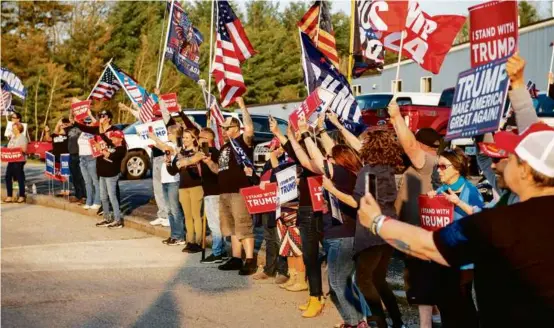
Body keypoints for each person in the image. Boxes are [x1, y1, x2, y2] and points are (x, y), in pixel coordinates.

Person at [357, 121, 554, 327]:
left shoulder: (501, 223)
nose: (496, 164)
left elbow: (429, 245)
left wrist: (377, 222)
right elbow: (542, 147)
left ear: (525, 171)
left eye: (509, 158)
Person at [296, 115, 366, 327]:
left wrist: (307, 134)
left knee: (337, 281)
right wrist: (322, 131)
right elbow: (331, 153)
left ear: (339, 162)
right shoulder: (351, 172)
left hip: (341, 236)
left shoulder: (343, 174)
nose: (327, 159)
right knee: (349, 281)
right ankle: (358, 320)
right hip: (342, 233)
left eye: (331, 158)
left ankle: (354, 323)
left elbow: (320, 160)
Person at [271, 117, 325, 317]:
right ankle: (314, 297)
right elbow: (293, 151)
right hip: (304, 209)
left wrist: (293, 135)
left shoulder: (315, 156)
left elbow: (298, 154)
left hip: (314, 210)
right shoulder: (302, 153)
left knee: (312, 256)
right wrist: (279, 133)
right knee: (310, 257)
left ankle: (317, 297)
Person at [202, 97, 257, 276]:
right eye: (223, 128)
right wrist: (209, 163)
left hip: (239, 191)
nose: (224, 131)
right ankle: (235, 257)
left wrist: (242, 106)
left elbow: (249, 129)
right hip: (224, 192)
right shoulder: (225, 147)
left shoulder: (242, 142)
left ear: (236, 128)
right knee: (231, 227)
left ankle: (249, 260)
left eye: (227, 128)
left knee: (243, 226)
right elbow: (220, 170)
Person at [252, 138, 290, 284]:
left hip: (281, 203)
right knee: (269, 237)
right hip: (267, 203)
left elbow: (282, 178)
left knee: (280, 238)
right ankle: (269, 269)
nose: (271, 151)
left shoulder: (286, 161)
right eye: (270, 148)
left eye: (274, 147)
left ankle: (283, 270)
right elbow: (262, 179)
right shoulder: (268, 163)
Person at [168, 128, 204, 253]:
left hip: (195, 185)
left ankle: (198, 242)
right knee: (187, 216)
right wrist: (168, 163)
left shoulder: (197, 151)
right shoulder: (180, 152)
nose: (184, 140)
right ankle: (190, 241)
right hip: (183, 187)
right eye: (183, 137)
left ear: (194, 139)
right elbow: (173, 171)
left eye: (187, 137)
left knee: (196, 215)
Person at [148, 125, 186, 246]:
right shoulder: (168, 143)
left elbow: (166, 147)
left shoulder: (178, 146)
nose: (167, 134)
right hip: (165, 180)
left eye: (169, 133)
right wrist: (153, 141)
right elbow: (161, 146)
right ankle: (174, 235)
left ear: (175, 134)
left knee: (175, 209)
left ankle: (180, 236)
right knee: (169, 210)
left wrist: (155, 138)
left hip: (174, 181)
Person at [197, 128, 227, 263]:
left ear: (207, 139)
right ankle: (223, 250)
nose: (198, 140)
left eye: (200, 138)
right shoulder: (215, 152)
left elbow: (218, 171)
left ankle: (217, 253)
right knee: (221, 224)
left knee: (215, 225)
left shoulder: (211, 153)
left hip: (213, 194)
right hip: (214, 192)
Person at [93, 129, 127, 228]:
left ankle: (118, 220)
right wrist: (100, 127)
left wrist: (100, 149)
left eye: (114, 137)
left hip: (111, 175)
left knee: (112, 197)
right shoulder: (111, 144)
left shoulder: (121, 149)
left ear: (120, 139)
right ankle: (106, 218)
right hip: (103, 174)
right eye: (111, 136)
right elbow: (103, 136)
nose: (112, 138)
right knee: (103, 197)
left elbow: (109, 155)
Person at [43, 118, 72, 196]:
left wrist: (67, 125)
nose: (62, 126)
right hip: (56, 156)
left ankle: (68, 189)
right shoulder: (55, 134)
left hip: (66, 156)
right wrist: (47, 131)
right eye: (61, 124)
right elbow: (48, 139)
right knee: (59, 173)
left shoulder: (68, 133)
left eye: (64, 124)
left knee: (66, 173)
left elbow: (71, 127)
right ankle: (62, 189)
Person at [79, 117, 101, 210]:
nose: (87, 124)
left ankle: (97, 201)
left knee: (95, 181)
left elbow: (98, 124)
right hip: (82, 158)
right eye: (86, 122)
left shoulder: (95, 132)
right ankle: (89, 201)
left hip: (91, 158)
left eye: (89, 122)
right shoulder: (82, 132)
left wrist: (93, 119)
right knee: (87, 182)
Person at [4, 122, 28, 203]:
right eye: (12, 128)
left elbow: (24, 150)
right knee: (8, 177)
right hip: (11, 159)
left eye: (14, 128)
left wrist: (16, 149)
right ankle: (9, 196)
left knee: (19, 178)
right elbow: (8, 147)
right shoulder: (12, 138)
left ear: (19, 129)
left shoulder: (22, 138)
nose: (12, 130)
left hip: (19, 160)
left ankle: (22, 196)